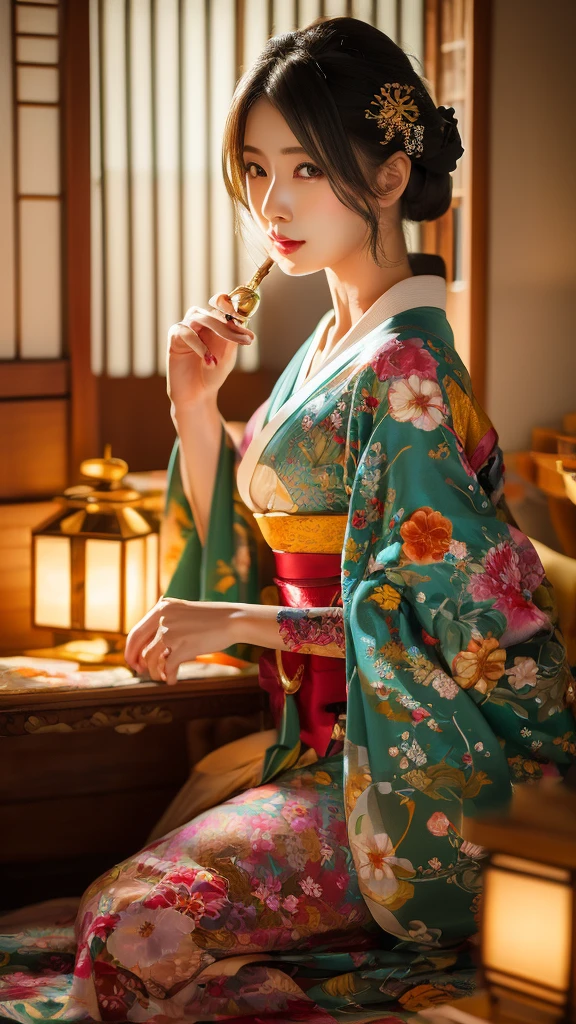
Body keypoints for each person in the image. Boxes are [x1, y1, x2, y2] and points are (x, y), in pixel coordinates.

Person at [2, 16, 575, 1024]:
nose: (273, 202)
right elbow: (278, 540)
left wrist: (237, 623)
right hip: (328, 748)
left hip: (417, 774)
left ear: (390, 177)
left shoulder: (406, 365)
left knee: (138, 926)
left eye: (307, 168)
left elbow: (430, 621)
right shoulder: (333, 335)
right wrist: (196, 407)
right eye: (257, 169)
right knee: (124, 917)